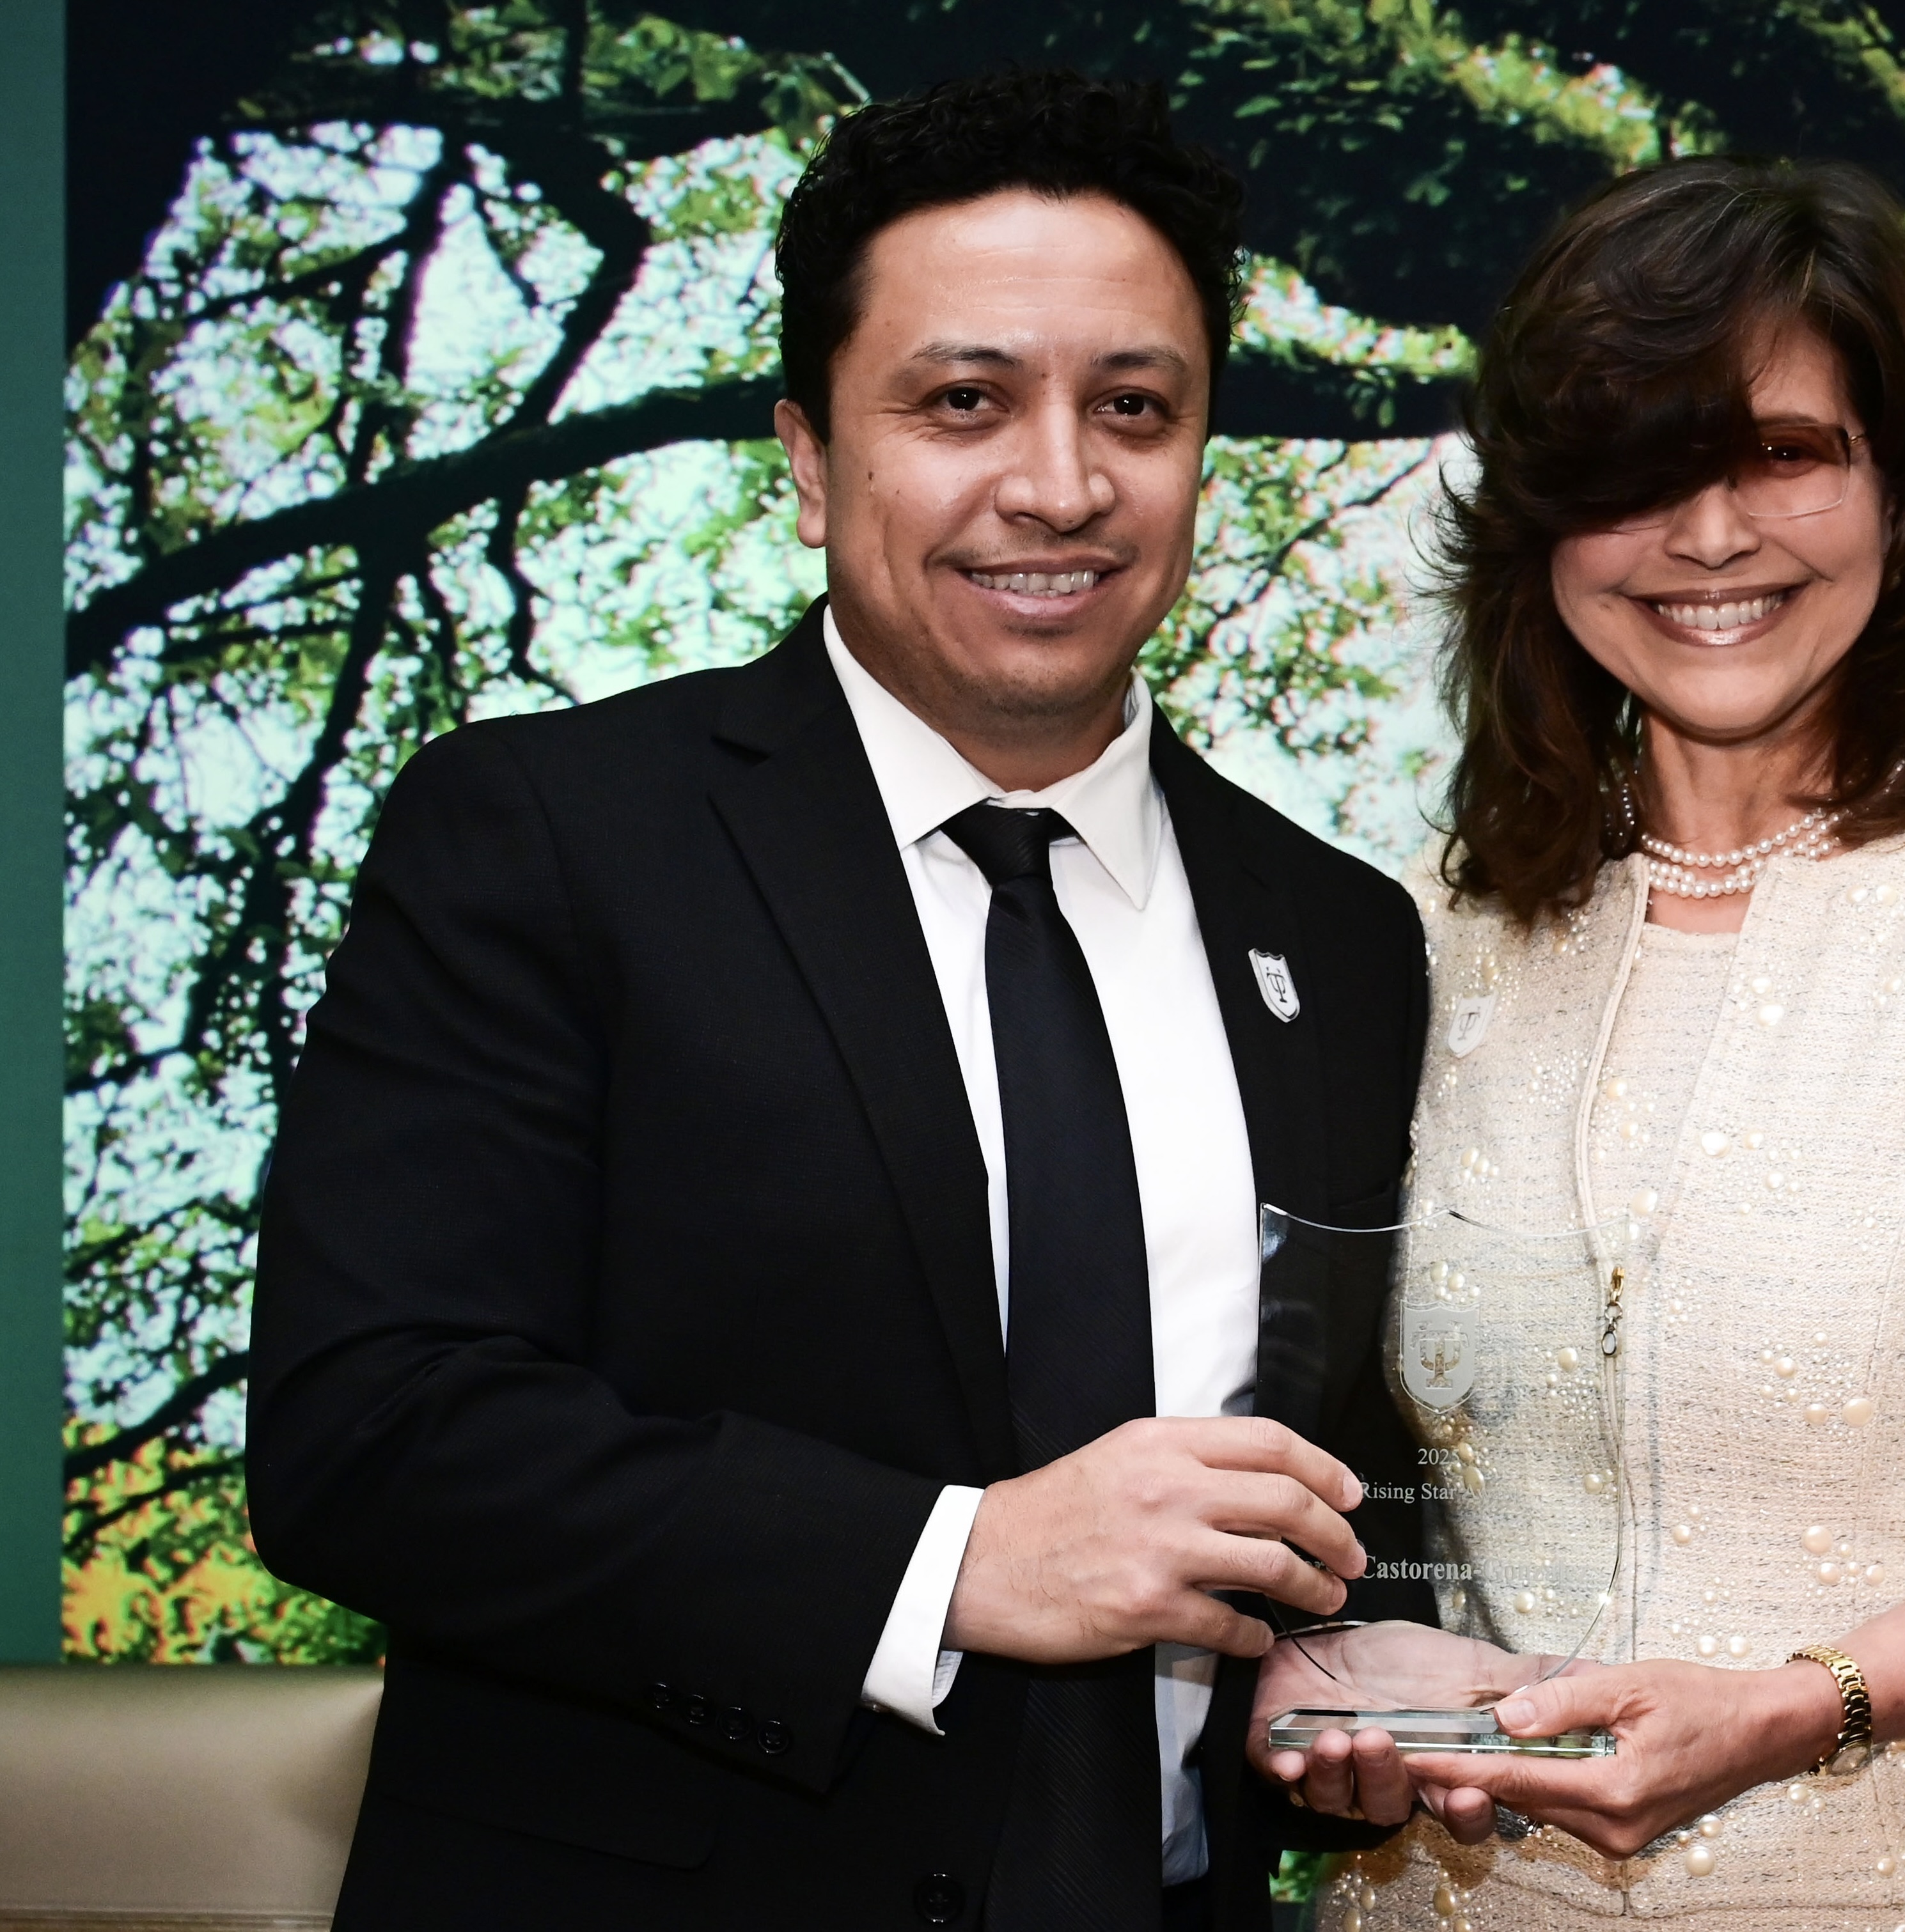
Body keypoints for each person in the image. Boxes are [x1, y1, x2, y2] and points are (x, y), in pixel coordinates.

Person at [247, 70, 1435, 1932]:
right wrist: (956, 1561)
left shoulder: (1342, 935)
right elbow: (371, 1439)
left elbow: (1327, 1467)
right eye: (964, 402)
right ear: (808, 459)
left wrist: (1355, 1671)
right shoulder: (547, 837)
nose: (1060, 481)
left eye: (1136, 408)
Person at [1250, 156, 1905, 1930]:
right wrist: (1325, 1666)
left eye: (1787, 454)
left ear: (1901, 487)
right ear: (1539, 527)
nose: (1713, 537)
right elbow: (1341, 1445)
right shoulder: (1413, 932)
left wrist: (1806, 1707)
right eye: (1636, 475)